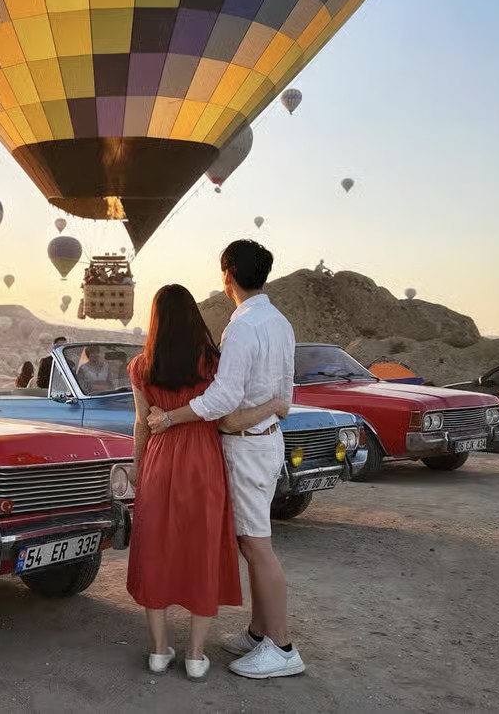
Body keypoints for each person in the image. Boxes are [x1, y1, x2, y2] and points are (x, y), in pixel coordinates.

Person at [148, 240, 305, 680]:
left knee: (257, 545)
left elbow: (223, 396)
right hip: (264, 439)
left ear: (227, 275)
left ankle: (283, 647)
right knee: (248, 541)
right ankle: (259, 632)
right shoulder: (280, 323)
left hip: (248, 445)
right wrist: (269, 409)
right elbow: (285, 396)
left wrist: (172, 417)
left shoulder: (241, 326)